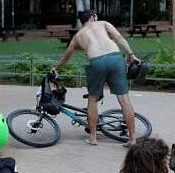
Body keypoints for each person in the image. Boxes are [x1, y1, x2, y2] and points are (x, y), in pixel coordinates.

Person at [51, 10, 141, 146]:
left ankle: (93, 138)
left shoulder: (78, 35)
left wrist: (56, 68)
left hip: (96, 62)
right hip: (115, 58)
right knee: (124, 100)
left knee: (92, 99)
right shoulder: (103, 24)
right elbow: (118, 38)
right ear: (93, 17)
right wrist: (131, 54)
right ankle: (133, 139)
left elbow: (66, 56)